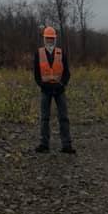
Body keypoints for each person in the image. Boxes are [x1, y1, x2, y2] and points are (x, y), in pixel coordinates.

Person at [34, 26, 75, 154]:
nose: (50, 41)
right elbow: (36, 74)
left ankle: (66, 145)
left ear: (55, 39)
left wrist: (62, 85)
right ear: (44, 39)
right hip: (45, 90)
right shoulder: (39, 53)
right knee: (44, 118)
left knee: (64, 117)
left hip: (59, 90)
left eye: (52, 39)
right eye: (48, 39)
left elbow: (67, 73)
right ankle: (44, 144)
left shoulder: (61, 52)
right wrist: (42, 85)